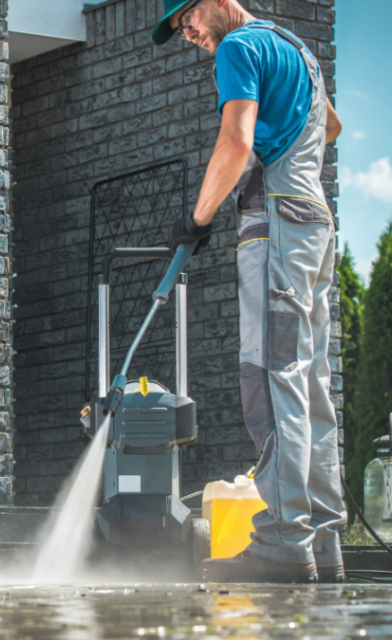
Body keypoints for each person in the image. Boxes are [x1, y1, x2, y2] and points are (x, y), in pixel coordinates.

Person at [155, 0, 347, 583]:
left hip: (279, 225)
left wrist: (198, 217)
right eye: (180, 30)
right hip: (314, 219)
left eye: (186, 19)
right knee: (308, 380)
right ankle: (323, 539)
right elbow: (331, 127)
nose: (187, 34)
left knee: (269, 374)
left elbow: (236, 143)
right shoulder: (297, 50)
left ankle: (284, 541)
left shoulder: (238, 47)